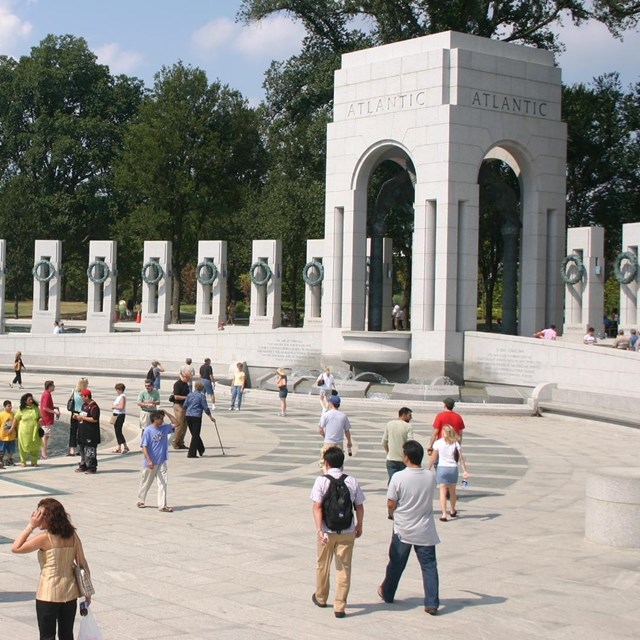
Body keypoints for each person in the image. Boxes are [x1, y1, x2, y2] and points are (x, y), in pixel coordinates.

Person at [11, 498, 91, 640]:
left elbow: (15, 548)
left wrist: (30, 526)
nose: (36, 518)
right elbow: (83, 564)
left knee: (47, 636)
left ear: (48, 518)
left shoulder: (44, 538)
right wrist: (87, 593)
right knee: (67, 635)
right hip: (70, 593)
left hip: (48, 594)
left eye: (39, 515)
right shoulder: (72, 535)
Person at [378, 440, 440, 615]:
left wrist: (391, 513)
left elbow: (391, 502)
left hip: (403, 527)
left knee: (396, 562)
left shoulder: (398, 477)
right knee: (429, 566)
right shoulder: (430, 476)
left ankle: (387, 592)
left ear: (406, 457)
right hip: (425, 529)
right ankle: (432, 602)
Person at [310, 446, 365, 618]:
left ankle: (321, 597)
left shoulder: (321, 481)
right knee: (344, 568)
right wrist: (359, 526)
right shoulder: (351, 481)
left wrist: (319, 530)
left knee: (322, 565)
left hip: (327, 531)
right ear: (342, 463)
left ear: (326, 462)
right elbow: (359, 506)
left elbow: (317, 506)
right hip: (347, 530)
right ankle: (340, 605)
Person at [137, 409, 178, 512]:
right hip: (151, 462)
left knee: (163, 483)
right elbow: (144, 446)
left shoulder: (164, 428)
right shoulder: (148, 430)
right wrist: (149, 460)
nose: (162, 420)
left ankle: (162, 505)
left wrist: (167, 413)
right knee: (146, 482)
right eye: (161, 418)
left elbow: (177, 423)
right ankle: (141, 500)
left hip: (162, 461)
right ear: (155, 419)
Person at [429, 425, 469, 521]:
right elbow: (461, 458)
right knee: (452, 492)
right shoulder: (455, 443)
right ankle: (452, 510)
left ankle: (444, 514)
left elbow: (433, 458)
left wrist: (428, 468)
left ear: (443, 432)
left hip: (442, 468)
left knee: (442, 492)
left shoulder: (438, 443)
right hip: (453, 469)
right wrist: (465, 470)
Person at [381, 407, 414, 481]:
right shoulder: (408, 426)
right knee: (403, 482)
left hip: (391, 458)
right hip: (403, 459)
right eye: (409, 415)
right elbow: (410, 443)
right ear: (404, 415)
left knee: (392, 481)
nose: (411, 418)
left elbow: (383, 441)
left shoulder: (389, 424)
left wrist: (388, 452)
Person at [184, 381, 214, 458]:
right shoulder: (201, 396)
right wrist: (211, 417)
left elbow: (185, 405)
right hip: (196, 416)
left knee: (194, 434)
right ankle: (191, 453)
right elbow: (205, 407)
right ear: (202, 388)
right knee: (195, 434)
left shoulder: (189, 395)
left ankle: (201, 448)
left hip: (188, 415)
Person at [318, 395, 353, 461]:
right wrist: (349, 442)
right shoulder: (343, 415)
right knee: (338, 463)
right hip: (339, 444)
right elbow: (347, 431)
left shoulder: (326, 415)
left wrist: (325, 436)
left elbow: (320, 429)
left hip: (328, 442)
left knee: (325, 462)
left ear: (331, 403)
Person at [13, 392, 42, 467]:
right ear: (25, 401)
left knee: (35, 447)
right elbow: (16, 419)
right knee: (23, 446)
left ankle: (34, 462)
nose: (31, 401)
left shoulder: (35, 408)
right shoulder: (21, 409)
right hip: (24, 432)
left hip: (34, 431)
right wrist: (12, 429)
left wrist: (40, 419)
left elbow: (40, 416)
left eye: (32, 399)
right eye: (29, 399)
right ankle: (23, 461)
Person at [76, 389, 100, 474]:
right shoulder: (84, 405)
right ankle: (83, 465)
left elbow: (94, 419)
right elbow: (83, 416)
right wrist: (78, 417)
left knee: (90, 450)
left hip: (91, 433)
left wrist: (82, 418)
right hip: (83, 432)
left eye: (82, 396)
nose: (81, 398)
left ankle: (91, 467)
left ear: (87, 396)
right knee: (82, 449)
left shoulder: (94, 407)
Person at [171, 366, 191, 449]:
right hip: (179, 406)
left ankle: (181, 442)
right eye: (188, 378)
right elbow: (176, 397)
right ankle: (175, 442)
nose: (189, 379)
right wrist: (187, 397)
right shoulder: (177, 384)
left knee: (185, 425)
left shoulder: (186, 384)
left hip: (185, 406)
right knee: (179, 424)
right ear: (183, 376)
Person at [67, 377, 88, 456]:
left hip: (74, 413)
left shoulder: (73, 391)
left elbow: (70, 400)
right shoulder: (85, 393)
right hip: (83, 413)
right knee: (82, 432)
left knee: (73, 431)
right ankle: (81, 449)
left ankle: (72, 449)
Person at [40, 380, 60, 460]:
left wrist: (54, 407)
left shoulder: (47, 394)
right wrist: (55, 412)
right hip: (46, 419)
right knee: (45, 436)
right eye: (53, 385)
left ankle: (44, 452)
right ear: (49, 386)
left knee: (46, 436)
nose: (54, 387)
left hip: (47, 418)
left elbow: (46, 406)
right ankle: (43, 453)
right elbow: (45, 408)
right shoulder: (46, 395)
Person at [111, 383, 129, 454]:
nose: (117, 391)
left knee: (118, 431)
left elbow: (122, 407)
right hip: (116, 414)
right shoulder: (118, 396)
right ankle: (119, 447)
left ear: (121, 390)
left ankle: (125, 446)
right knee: (117, 431)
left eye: (118, 389)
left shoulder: (122, 396)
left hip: (120, 415)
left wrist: (114, 407)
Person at [0, 399, 16, 467]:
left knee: (11, 449)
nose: (10, 407)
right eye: (8, 406)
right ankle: (1, 461)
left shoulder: (13, 414)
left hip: (12, 436)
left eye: (10, 406)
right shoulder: (1, 414)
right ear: (5, 407)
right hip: (3, 436)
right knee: (1, 449)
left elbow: (15, 424)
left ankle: (9, 459)